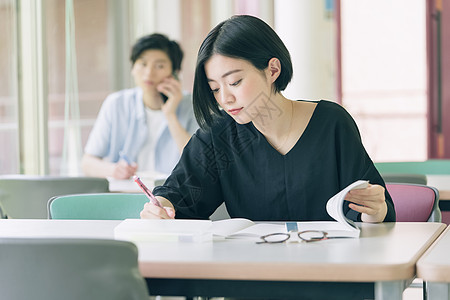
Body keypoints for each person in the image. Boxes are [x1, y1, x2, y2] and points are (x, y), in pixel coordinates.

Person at [140, 15, 395, 223]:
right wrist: (161, 208)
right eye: (215, 89)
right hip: (253, 275)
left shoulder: (331, 123)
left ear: (272, 70)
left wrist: (375, 210)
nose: (225, 98)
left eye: (234, 82)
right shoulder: (219, 135)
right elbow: (181, 195)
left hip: (330, 274)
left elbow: (370, 209)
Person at [81, 33, 199, 179]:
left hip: (173, 198)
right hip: (124, 194)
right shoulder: (116, 104)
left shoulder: (193, 106)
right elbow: (87, 163)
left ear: (174, 73)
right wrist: (114, 170)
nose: (149, 73)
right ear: (133, 68)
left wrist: (170, 116)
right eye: (143, 64)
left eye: (160, 66)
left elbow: (198, 163)